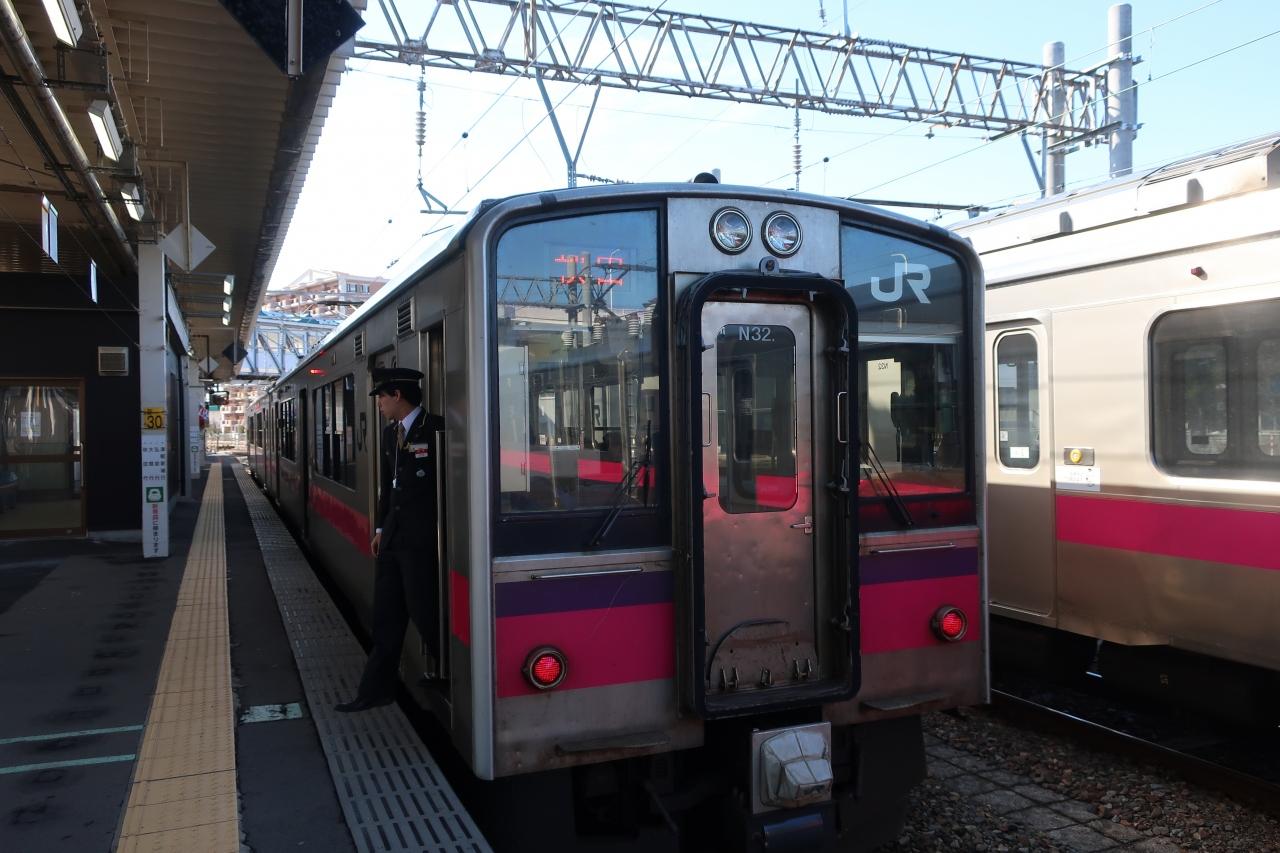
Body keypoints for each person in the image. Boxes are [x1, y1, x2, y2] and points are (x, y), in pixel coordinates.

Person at [336, 366, 446, 712]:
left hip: (422, 543)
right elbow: (388, 487)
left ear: (397, 395)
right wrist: (381, 529)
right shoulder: (389, 434)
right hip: (394, 540)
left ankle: (450, 676)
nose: (378, 404)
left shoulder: (437, 429)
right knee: (386, 618)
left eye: (381, 397)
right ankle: (374, 692)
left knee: (425, 613)